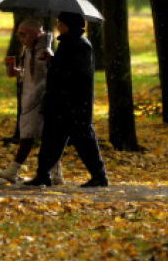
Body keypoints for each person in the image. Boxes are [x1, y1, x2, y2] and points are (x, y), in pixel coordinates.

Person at [24, 11, 109, 188]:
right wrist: (52, 60)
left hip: (74, 103)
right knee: (52, 139)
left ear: (68, 25)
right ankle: (43, 174)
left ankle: (99, 176)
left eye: (60, 23)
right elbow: (66, 66)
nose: (58, 27)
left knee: (84, 140)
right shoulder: (70, 43)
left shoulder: (80, 45)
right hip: (62, 102)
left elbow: (77, 74)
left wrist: (56, 65)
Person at [0, 19, 62, 185]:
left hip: (37, 100)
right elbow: (31, 74)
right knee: (40, 138)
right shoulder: (29, 51)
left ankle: (13, 170)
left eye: (25, 36)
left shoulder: (43, 52)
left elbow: (46, 78)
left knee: (31, 137)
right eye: (20, 37)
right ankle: (56, 171)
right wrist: (16, 72)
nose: (22, 40)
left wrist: (35, 95)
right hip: (30, 99)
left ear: (34, 36)